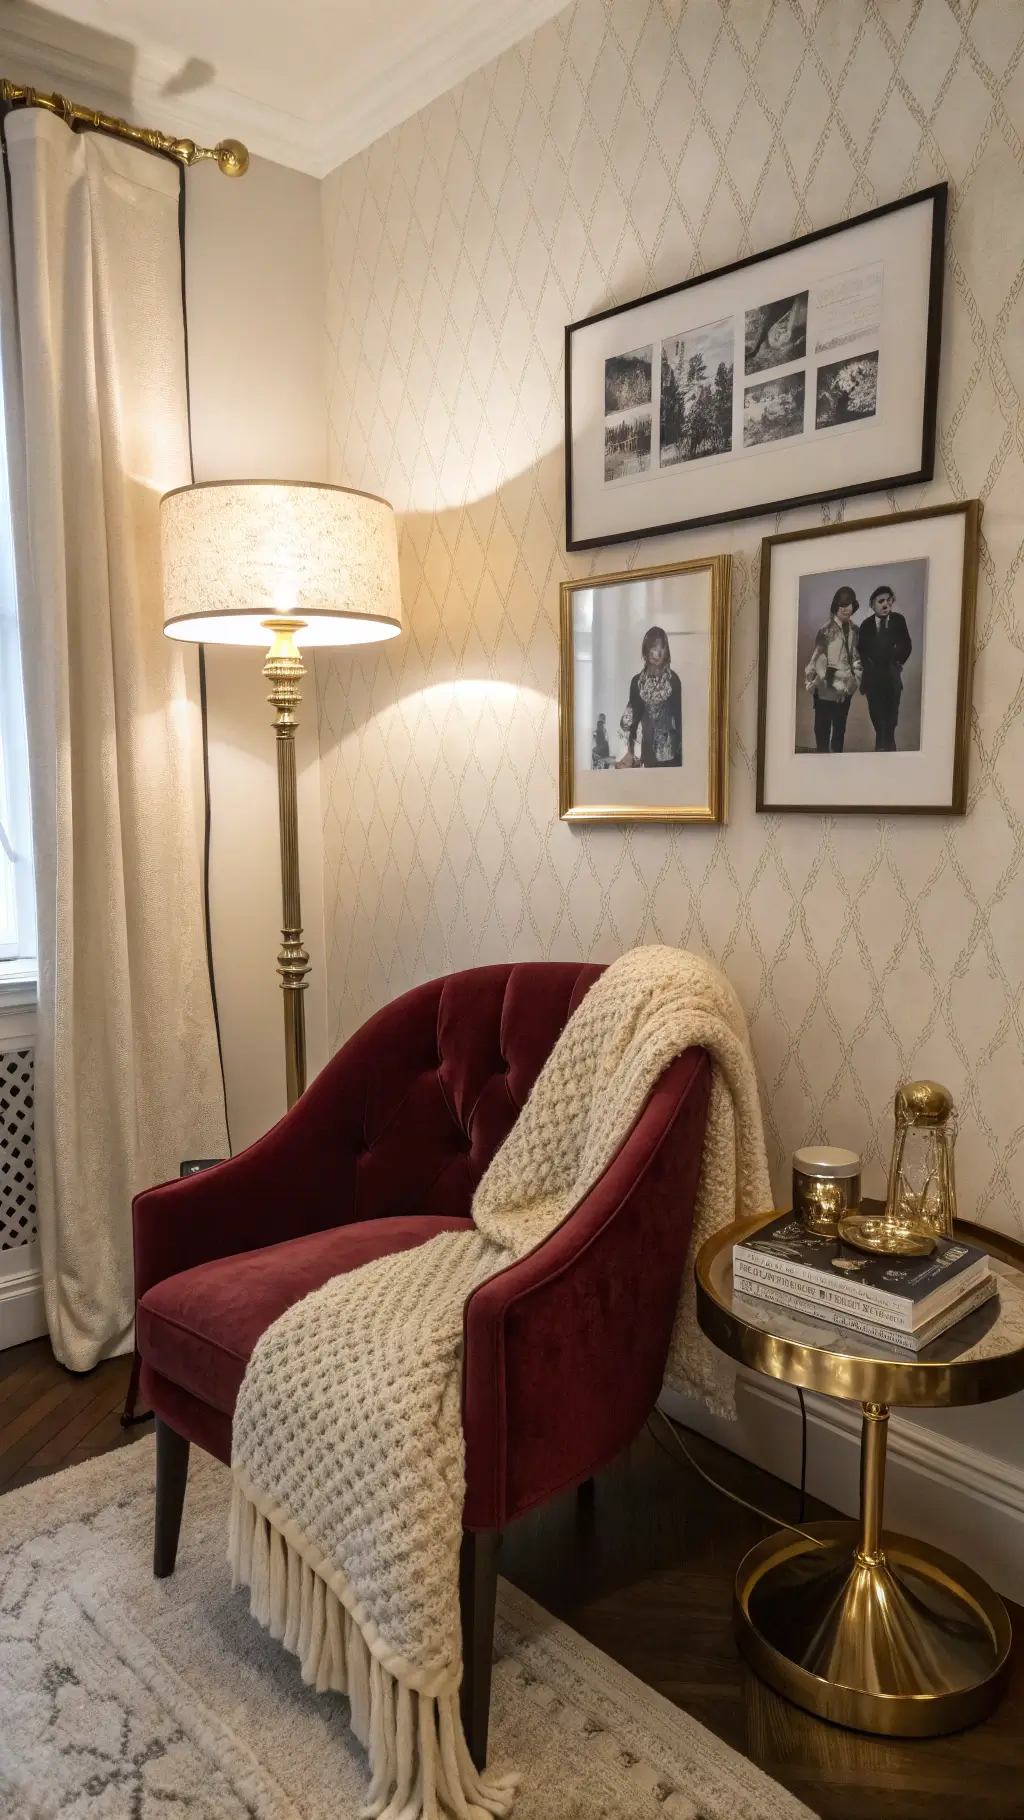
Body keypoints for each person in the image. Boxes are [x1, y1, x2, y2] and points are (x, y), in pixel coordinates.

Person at [804, 585, 862, 753]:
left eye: (849, 604)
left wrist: (854, 682)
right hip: (825, 690)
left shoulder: (855, 630)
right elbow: (817, 660)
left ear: (854, 606)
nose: (845, 609)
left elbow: (857, 659)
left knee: (839, 733)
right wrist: (827, 681)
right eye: (842, 605)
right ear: (836, 606)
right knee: (822, 733)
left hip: (845, 692)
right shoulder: (826, 630)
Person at [617, 625, 682, 767]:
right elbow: (633, 722)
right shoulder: (637, 683)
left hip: (671, 759)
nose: (656, 653)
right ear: (646, 651)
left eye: (661, 647)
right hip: (646, 757)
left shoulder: (674, 681)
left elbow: (680, 722)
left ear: (667, 651)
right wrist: (630, 752)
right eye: (653, 647)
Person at [857, 583, 912, 750]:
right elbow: (862, 651)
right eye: (881, 601)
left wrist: (896, 662)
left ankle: (889, 751)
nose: (885, 604)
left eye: (889, 600)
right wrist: (869, 668)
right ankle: (881, 751)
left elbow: (906, 645)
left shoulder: (898, 621)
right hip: (873, 680)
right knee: (878, 720)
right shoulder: (866, 625)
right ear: (872, 605)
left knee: (891, 721)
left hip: (891, 677)